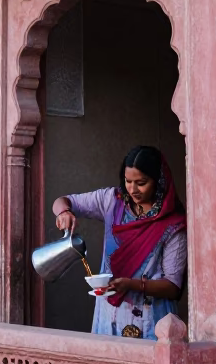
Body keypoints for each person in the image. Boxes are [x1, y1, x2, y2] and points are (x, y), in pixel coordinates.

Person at [52, 145, 186, 339]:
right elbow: (64, 200)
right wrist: (64, 212)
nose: (133, 189)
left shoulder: (172, 224)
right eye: (128, 181)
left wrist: (132, 285)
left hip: (150, 319)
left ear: (158, 181)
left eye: (141, 182)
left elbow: (173, 286)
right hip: (107, 314)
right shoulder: (112, 201)